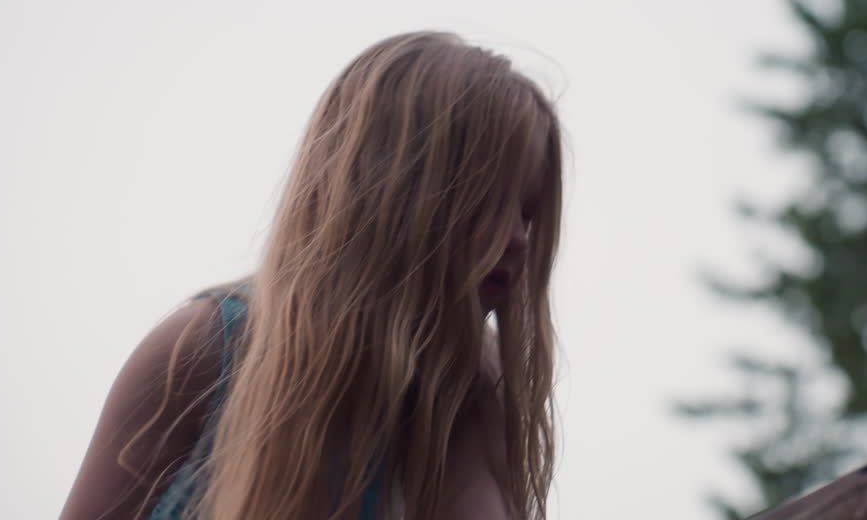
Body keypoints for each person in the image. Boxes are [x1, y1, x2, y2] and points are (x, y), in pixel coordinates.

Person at [59, 31, 563, 520]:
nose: (519, 238)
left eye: (527, 212)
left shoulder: (474, 388)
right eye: (489, 201)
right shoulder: (210, 350)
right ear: (392, 191)